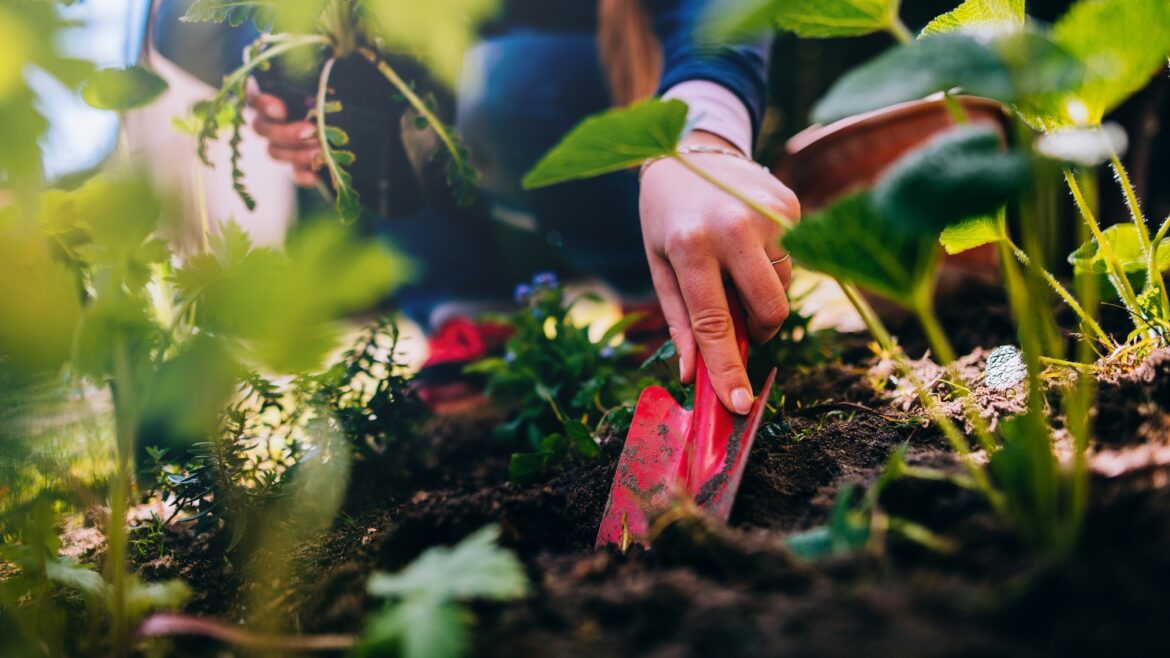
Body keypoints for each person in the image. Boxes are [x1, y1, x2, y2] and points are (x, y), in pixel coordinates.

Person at [246, 0, 801, 416]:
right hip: (440, 102)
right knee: (365, 85)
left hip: (602, 82)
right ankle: (467, 315)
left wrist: (700, 140)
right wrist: (304, 100)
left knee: (507, 80)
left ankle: (656, 293)